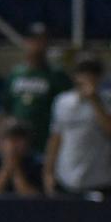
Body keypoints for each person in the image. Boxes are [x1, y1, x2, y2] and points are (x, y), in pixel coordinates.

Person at [0, 22, 71, 154]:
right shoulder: (16, 74)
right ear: (27, 42)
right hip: (17, 144)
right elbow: (5, 110)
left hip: (45, 143)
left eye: (43, 41)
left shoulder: (57, 75)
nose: (39, 45)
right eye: (35, 40)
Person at [43, 56, 111, 198]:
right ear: (75, 76)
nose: (88, 77)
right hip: (66, 179)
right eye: (83, 72)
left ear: (100, 77)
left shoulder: (107, 101)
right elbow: (56, 138)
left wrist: (94, 101)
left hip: (98, 180)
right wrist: (48, 172)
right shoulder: (62, 102)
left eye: (93, 73)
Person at [0, 119, 41, 196]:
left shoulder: (37, 164)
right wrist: (6, 168)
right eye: (10, 139)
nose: (14, 145)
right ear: (1, 142)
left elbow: (34, 198)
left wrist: (16, 170)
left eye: (18, 140)